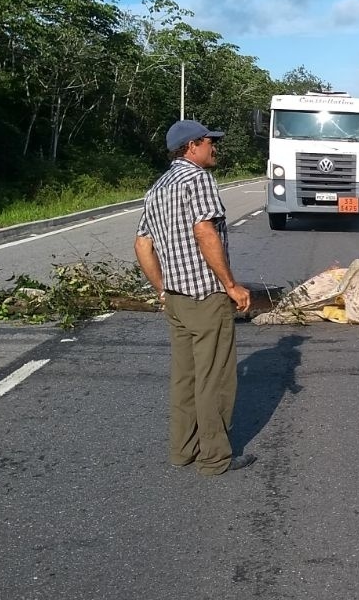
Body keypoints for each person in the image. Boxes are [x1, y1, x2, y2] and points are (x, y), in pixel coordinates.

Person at [134, 120, 254, 476]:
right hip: (205, 295)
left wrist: (162, 287)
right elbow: (205, 231)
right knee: (213, 378)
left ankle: (182, 449)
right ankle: (215, 458)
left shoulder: (157, 187)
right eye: (209, 142)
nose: (213, 148)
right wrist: (231, 284)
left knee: (184, 377)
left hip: (175, 298)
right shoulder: (198, 179)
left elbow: (142, 244)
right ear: (192, 146)